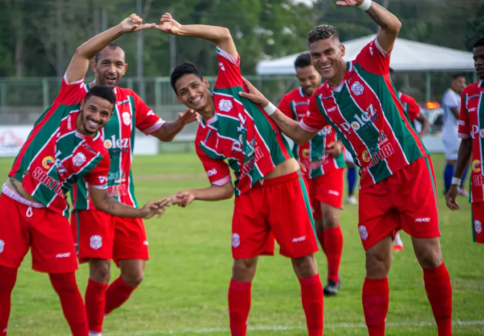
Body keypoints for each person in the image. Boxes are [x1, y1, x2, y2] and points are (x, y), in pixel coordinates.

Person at [239, 1, 453, 335]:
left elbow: (393, 26)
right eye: (315, 55)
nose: (322, 59)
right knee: (375, 262)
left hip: (410, 168)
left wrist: (365, 3)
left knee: (428, 255)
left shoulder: (369, 62)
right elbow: (298, 132)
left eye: (327, 52)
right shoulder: (321, 99)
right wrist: (264, 103)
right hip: (373, 183)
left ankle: (445, 331)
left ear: (340, 50)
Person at [0, 14, 166, 336]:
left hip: (52, 213)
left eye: (104, 114)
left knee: (67, 286)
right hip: (12, 202)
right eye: (92, 109)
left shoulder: (99, 156)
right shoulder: (67, 101)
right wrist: (119, 30)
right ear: (83, 105)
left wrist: (141, 211)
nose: (96, 116)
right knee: (3, 282)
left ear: (110, 118)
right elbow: (82, 53)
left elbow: (104, 201)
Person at [156, 13, 324, 336]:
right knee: (242, 267)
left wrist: (180, 30)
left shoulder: (231, 86)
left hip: (285, 183)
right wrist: (194, 193)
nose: (192, 93)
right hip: (249, 196)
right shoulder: (203, 141)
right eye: (183, 92)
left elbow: (222, 33)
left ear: (205, 82)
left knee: (303, 262)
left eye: (194, 85)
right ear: (179, 99)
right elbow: (222, 187)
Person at [70, 40, 199, 336]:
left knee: (133, 275)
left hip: (125, 202)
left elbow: (163, 133)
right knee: (100, 270)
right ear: (95, 65)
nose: (112, 69)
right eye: (106, 63)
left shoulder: (130, 101)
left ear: (125, 68)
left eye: (118, 64)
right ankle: (92, 330)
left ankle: (87, 316)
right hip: (90, 201)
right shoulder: (78, 97)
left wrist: (180, 122)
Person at [277, 53, 345, 296]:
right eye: (301, 79)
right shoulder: (290, 101)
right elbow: (277, 128)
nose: (307, 83)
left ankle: (333, 278)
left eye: (310, 77)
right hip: (304, 170)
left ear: (318, 71)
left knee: (331, 220)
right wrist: (290, 158)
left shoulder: (335, 94)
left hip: (331, 166)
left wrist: (342, 145)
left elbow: (351, 122)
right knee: (316, 226)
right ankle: (333, 266)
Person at [446, 37, 484, 244]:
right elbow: (467, 142)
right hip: (480, 184)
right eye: (475, 58)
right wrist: (455, 182)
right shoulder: (469, 94)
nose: (478, 62)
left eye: (483, 58)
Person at [389, 67, 431, 252]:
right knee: (390, 199)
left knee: (409, 200)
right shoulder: (372, 102)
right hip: (386, 160)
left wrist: (418, 138)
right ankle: (396, 237)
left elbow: (425, 121)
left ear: (392, 79)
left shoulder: (406, 101)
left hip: (409, 160)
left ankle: (415, 234)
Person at [442, 73, 468, 196]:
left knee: (465, 159)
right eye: (459, 82)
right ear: (452, 82)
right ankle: (448, 188)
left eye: (463, 82)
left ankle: (459, 186)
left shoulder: (457, 96)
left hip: (456, 133)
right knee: (452, 161)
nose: (462, 85)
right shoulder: (450, 95)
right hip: (451, 133)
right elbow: (459, 116)